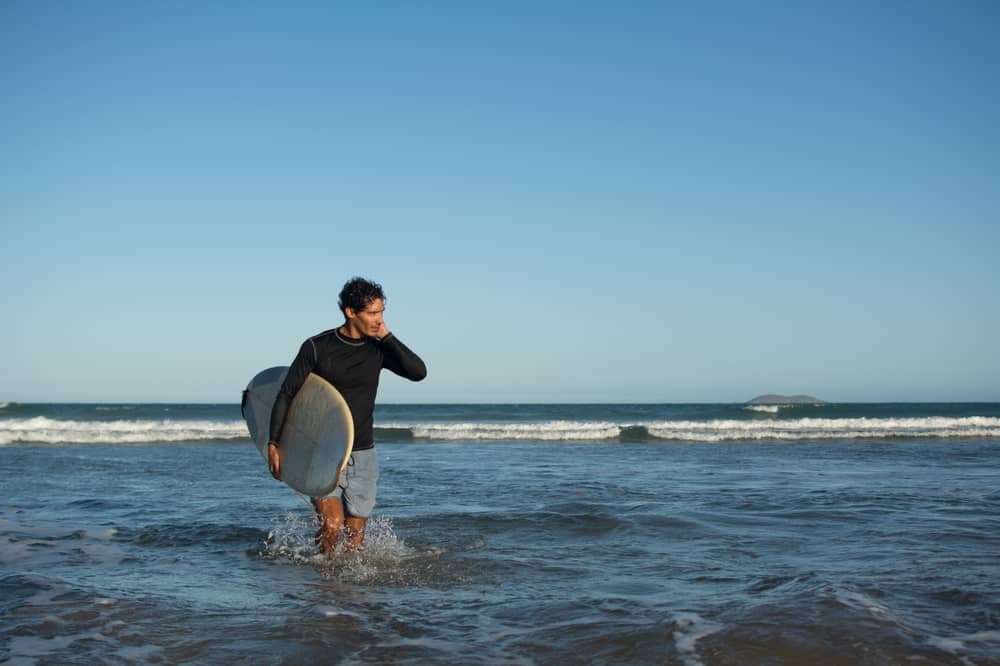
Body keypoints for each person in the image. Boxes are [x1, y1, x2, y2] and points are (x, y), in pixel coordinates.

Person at [266, 277, 426, 554]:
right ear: (350, 312)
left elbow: (418, 372)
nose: (378, 319)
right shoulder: (317, 347)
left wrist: (387, 336)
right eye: (372, 313)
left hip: (363, 453)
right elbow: (286, 394)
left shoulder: (378, 349)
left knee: (355, 538)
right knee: (332, 525)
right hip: (322, 451)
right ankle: (323, 578)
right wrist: (274, 443)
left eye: (381, 313)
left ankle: (345, 593)